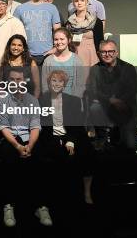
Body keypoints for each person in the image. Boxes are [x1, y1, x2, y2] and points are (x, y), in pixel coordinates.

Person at [0, 68, 52, 228]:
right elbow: (4, 127)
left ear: (24, 81)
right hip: (11, 138)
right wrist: (18, 146)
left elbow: (35, 126)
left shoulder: (33, 101)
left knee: (40, 160)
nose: (16, 83)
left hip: (29, 137)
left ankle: (41, 206)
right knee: (8, 160)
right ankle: (8, 205)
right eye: (12, 80)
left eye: (19, 79)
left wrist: (29, 146)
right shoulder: (1, 101)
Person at [39, 70, 95, 205]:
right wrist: (57, 140)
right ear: (49, 83)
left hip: (71, 133)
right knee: (58, 154)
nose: (57, 84)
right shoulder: (41, 100)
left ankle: (87, 192)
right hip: (50, 135)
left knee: (88, 151)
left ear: (64, 84)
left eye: (60, 81)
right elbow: (43, 125)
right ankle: (62, 194)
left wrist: (71, 141)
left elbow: (76, 125)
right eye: (54, 80)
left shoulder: (74, 100)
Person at [86, 40, 137, 152]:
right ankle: (102, 138)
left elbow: (132, 90)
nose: (107, 54)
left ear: (116, 53)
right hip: (104, 108)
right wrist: (111, 100)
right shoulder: (94, 69)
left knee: (130, 147)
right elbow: (93, 90)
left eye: (111, 51)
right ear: (98, 53)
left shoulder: (128, 68)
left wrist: (119, 102)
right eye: (104, 52)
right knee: (94, 108)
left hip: (125, 110)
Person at [13, 0, 61, 65]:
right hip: (27, 55)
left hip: (48, 55)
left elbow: (58, 31)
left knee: (48, 79)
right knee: (27, 79)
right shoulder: (20, 9)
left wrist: (55, 49)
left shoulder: (52, 8)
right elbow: (14, 33)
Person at [41, 28, 87, 100]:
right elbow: (45, 85)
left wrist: (73, 101)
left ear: (69, 40)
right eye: (56, 39)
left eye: (62, 39)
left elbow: (80, 85)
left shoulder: (77, 60)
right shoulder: (48, 61)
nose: (59, 42)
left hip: (72, 102)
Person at [65, 0, 104, 67]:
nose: (79, 3)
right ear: (73, 4)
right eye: (76, 1)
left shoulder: (96, 22)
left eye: (82, 0)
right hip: (74, 57)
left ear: (87, 2)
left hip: (92, 58)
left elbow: (100, 43)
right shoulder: (68, 23)